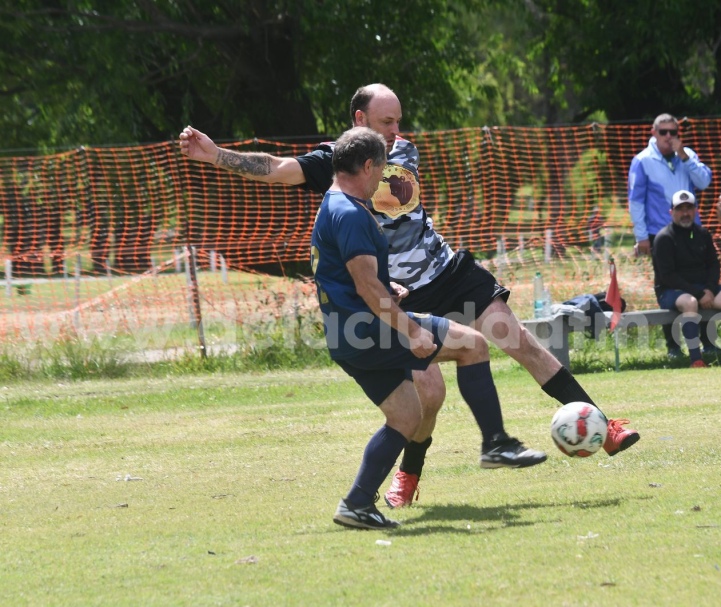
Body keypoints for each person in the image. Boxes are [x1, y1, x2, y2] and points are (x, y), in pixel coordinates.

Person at [179, 84, 639, 511]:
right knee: (429, 394)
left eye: (398, 120)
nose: (396, 130)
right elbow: (277, 170)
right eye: (386, 122)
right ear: (361, 118)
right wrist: (215, 154)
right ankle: (410, 473)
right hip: (398, 295)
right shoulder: (339, 161)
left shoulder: (403, 149)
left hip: (448, 271)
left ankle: (604, 425)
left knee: (519, 340)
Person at [313, 127, 545, 530]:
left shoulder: (335, 203)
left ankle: (356, 503)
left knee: (406, 415)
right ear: (368, 166)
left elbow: (355, 277)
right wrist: (412, 332)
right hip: (369, 330)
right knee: (473, 345)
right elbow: (366, 286)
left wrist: (389, 286)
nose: (385, 178)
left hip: (345, 335)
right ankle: (496, 443)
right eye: (383, 169)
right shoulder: (351, 213)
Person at [627, 113, 715, 358]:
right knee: (671, 288)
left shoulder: (688, 156)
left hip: (691, 233)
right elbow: (635, 202)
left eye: (673, 132)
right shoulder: (642, 161)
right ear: (653, 133)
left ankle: (707, 343)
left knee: (698, 286)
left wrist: (685, 157)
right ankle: (673, 347)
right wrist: (641, 236)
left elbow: (705, 182)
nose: (668, 137)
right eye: (663, 132)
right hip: (660, 236)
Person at [652, 189, 721, 368]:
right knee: (690, 303)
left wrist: (709, 290)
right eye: (680, 209)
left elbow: (713, 265)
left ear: (696, 210)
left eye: (689, 208)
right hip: (671, 291)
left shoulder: (703, 233)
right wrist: (698, 293)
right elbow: (668, 276)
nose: (685, 213)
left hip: (704, 289)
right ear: (671, 212)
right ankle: (696, 360)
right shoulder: (663, 238)